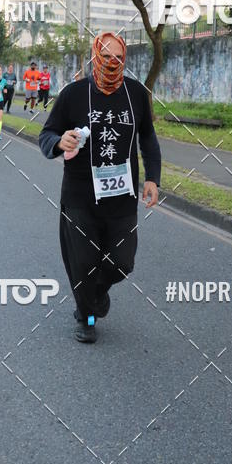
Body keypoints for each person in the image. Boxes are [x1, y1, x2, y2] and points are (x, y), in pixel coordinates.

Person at [39, 32, 161, 343]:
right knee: (82, 262)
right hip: (80, 195)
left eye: (118, 57)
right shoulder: (74, 94)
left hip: (121, 196)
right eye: (106, 56)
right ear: (95, 57)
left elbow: (147, 137)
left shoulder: (136, 93)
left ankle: (95, 295)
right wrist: (59, 141)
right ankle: (88, 317)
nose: (112, 62)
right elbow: (47, 134)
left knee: (122, 262)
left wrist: (152, 178)